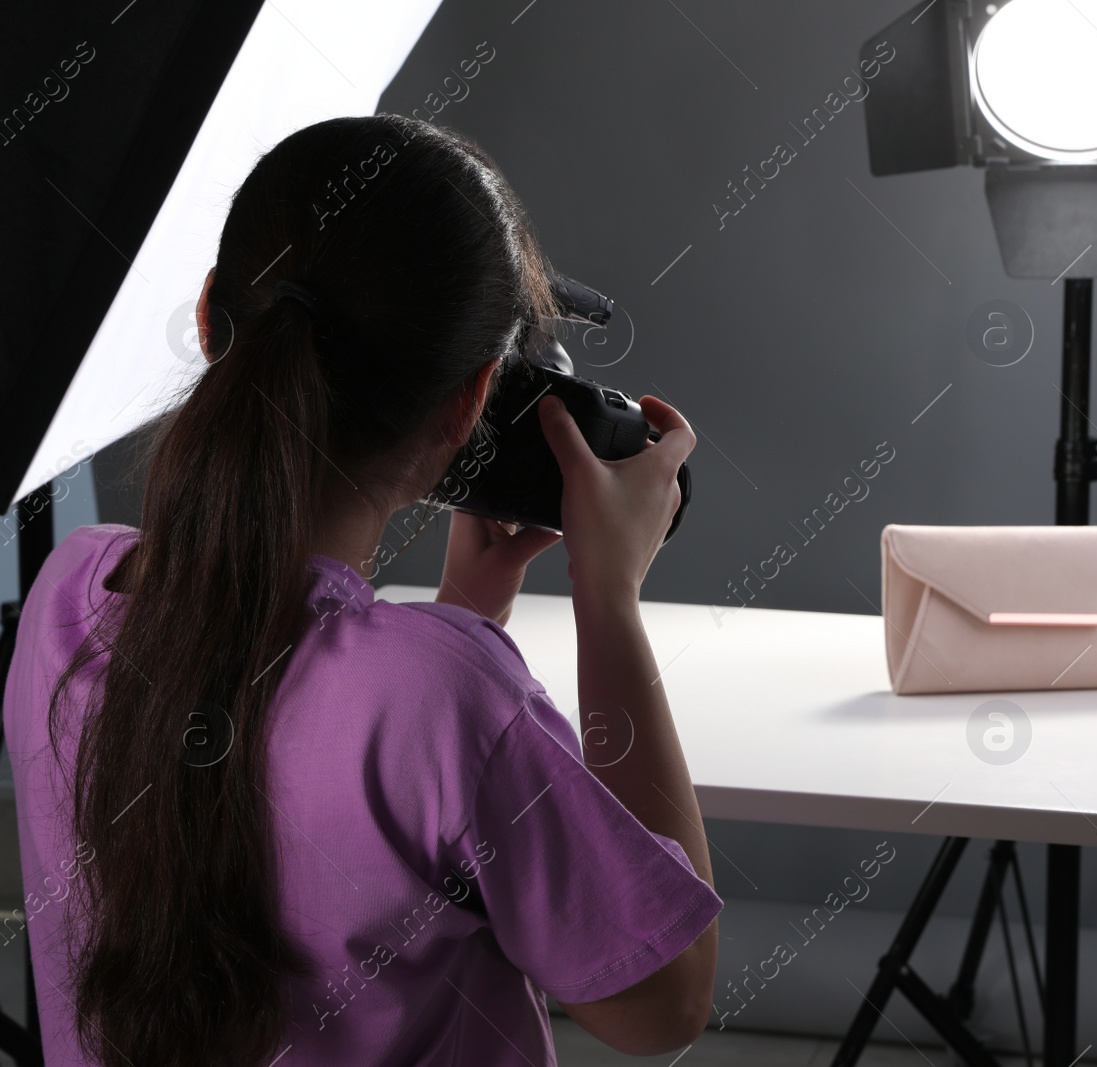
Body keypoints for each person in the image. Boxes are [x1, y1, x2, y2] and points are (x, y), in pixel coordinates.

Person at [1, 114, 719, 1066]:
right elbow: (662, 1001)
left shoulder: (65, 593)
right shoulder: (447, 698)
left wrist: (466, 609)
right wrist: (607, 600)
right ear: (472, 401)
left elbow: (313, 759)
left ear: (215, 316)